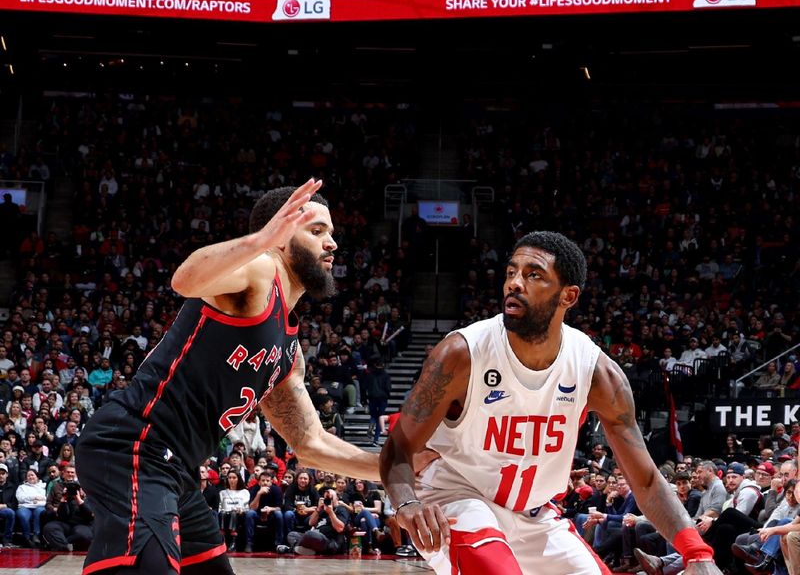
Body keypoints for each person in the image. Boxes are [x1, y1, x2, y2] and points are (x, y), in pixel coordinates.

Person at [76, 181, 382, 575]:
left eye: (332, 234)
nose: (332, 245)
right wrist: (259, 240)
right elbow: (185, 280)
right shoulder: (260, 271)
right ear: (282, 236)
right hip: (132, 446)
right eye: (317, 231)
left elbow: (311, 442)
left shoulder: (289, 352)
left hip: (177, 471)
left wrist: (392, 470)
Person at [380, 231, 721, 575]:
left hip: (534, 514)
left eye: (534, 275)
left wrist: (697, 553)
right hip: (455, 499)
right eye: (511, 272)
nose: (514, 283)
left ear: (568, 296)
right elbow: (398, 447)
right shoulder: (461, 354)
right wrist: (407, 503)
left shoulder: (596, 373)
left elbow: (646, 480)